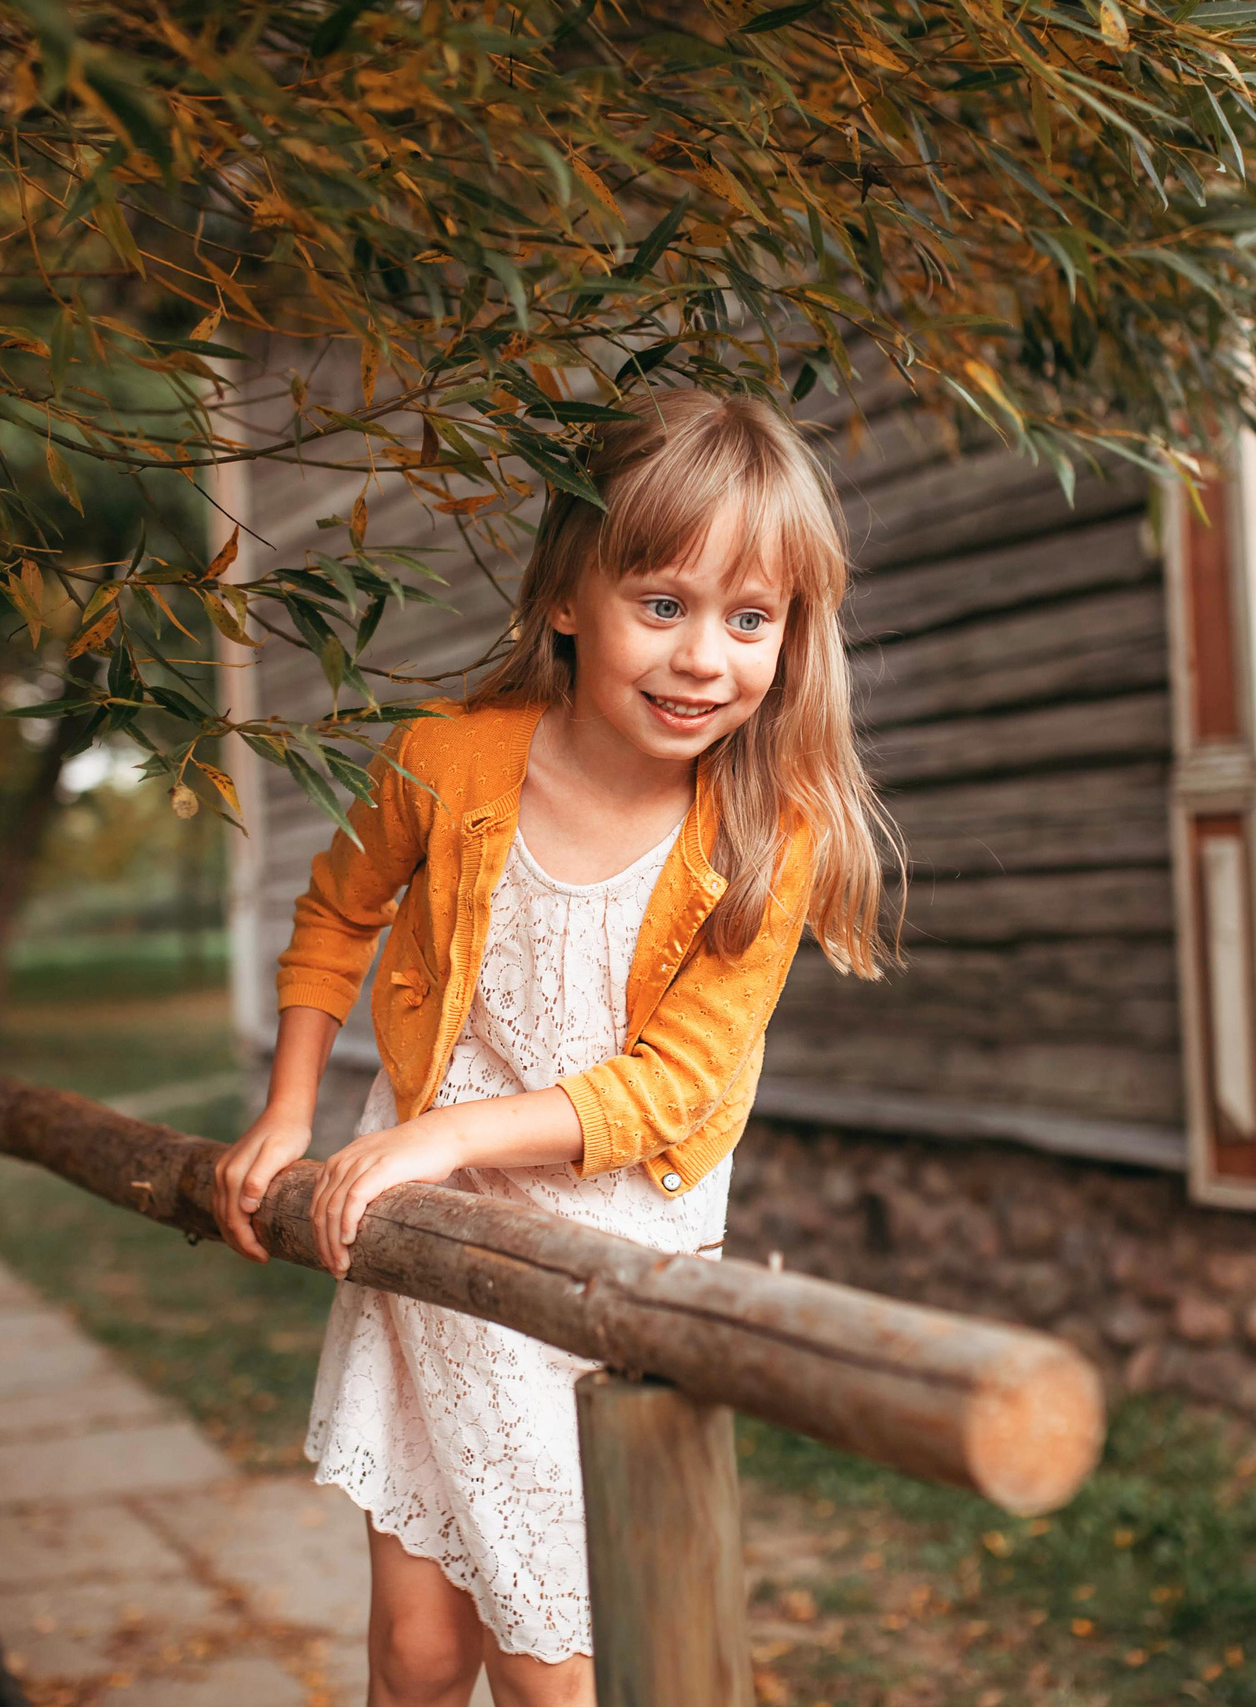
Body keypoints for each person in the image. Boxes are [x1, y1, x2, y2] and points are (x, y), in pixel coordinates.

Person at [209, 387, 897, 1707]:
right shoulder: (447, 764)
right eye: (664, 605)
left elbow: (672, 1086)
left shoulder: (769, 830)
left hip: (610, 1254)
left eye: (750, 619)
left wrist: (445, 1133)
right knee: (416, 1655)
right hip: (434, 1221)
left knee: (553, 1670)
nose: (705, 658)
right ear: (569, 595)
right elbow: (336, 909)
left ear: (794, 637)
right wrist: (290, 1110)